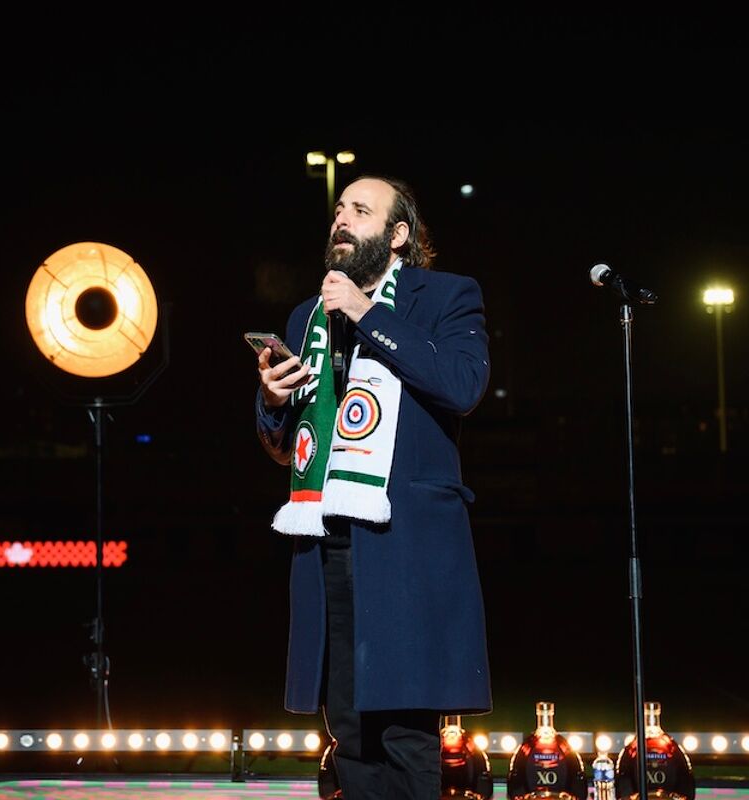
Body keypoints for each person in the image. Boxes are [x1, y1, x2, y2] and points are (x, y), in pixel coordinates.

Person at [254, 175, 492, 799]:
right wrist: (271, 399)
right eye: (338, 209)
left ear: (398, 235)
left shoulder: (444, 296)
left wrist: (368, 314)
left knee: (404, 732)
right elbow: (286, 444)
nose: (342, 219)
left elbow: (463, 386)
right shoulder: (308, 315)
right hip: (329, 541)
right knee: (351, 731)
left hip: (405, 540)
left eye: (361, 210)